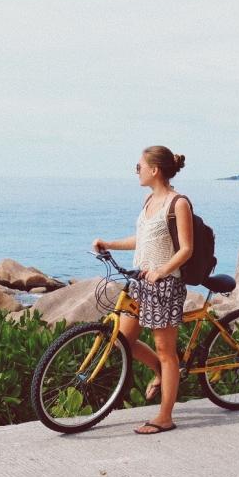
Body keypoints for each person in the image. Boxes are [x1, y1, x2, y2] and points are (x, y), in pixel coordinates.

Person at [91, 145, 194, 434]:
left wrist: (161, 271)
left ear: (154, 170)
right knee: (124, 340)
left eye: (139, 166)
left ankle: (165, 416)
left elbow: (186, 248)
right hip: (141, 284)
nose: (137, 171)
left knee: (166, 351)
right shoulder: (150, 201)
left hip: (165, 286)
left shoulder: (178, 203)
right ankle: (162, 373)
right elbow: (143, 240)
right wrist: (109, 243)